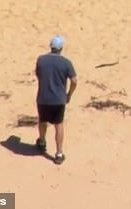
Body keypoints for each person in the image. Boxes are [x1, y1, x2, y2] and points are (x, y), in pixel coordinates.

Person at [34, 35, 77, 165]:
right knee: (58, 124)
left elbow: (37, 74)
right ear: (61, 48)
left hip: (43, 97)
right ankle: (58, 153)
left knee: (42, 121)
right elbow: (74, 81)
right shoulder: (66, 62)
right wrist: (69, 94)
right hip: (59, 99)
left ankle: (41, 142)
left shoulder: (41, 60)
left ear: (51, 47)